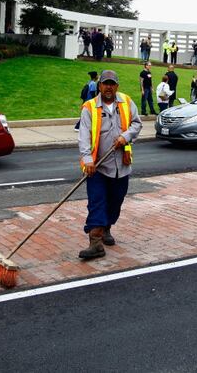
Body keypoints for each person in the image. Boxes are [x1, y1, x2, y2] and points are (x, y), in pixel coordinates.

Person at [77, 70, 142, 259]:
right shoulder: (89, 107)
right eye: (105, 83)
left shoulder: (127, 102)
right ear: (99, 86)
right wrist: (88, 160)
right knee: (97, 202)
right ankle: (95, 242)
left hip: (121, 166)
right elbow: (83, 136)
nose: (108, 87)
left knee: (115, 202)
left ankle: (106, 227)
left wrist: (125, 136)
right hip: (97, 166)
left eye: (112, 84)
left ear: (117, 86)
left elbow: (137, 124)